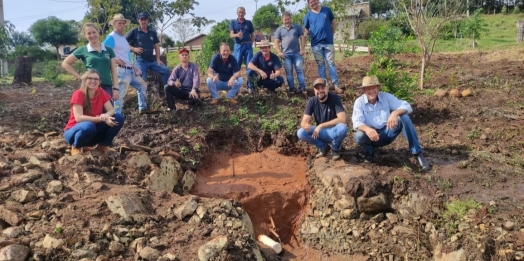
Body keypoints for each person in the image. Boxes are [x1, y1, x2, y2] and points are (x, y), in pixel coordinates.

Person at [352, 75, 431, 171]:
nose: (371, 91)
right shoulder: (359, 102)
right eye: (368, 89)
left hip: (388, 131)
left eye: (373, 88)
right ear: (363, 90)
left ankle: (418, 154)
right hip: (372, 136)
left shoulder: (386, 97)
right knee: (359, 135)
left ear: (378, 88)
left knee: (404, 118)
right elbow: (357, 122)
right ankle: (369, 154)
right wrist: (367, 129)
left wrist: (395, 112)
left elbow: (406, 106)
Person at [64, 69, 125, 156]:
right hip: (73, 132)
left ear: (100, 82)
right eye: (90, 78)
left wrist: (106, 116)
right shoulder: (78, 94)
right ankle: (76, 146)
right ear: (85, 80)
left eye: (96, 79)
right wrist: (101, 119)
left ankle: (103, 145)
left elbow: (111, 110)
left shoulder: (101, 92)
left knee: (118, 118)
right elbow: (79, 118)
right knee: (88, 125)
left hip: (92, 132)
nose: (93, 81)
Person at [103, 14, 152, 115]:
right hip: (121, 71)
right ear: (114, 24)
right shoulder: (112, 37)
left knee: (143, 85)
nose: (121, 25)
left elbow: (127, 55)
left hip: (130, 69)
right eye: (119, 23)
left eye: (123, 23)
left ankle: (142, 108)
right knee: (119, 96)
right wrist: (115, 59)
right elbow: (103, 51)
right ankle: (116, 115)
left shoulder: (123, 38)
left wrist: (134, 66)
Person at [62, 23, 119, 99]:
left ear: (98, 32)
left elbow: (113, 70)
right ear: (85, 36)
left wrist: (115, 88)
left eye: (94, 32)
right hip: (90, 86)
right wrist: (79, 77)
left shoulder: (108, 50)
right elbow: (65, 63)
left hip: (106, 85)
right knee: (91, 110)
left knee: (108, 109)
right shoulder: (82, 50)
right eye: (89, 33)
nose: (92, 35)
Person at [297, 78, 348, 160]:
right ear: (314, 90)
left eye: (322, 88)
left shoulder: (335, 98)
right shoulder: (312, 101)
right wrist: (306, 126)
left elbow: (342, 119)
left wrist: (321, 125)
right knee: (301, 132)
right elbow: (303, 122)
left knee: (343, 128)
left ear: (327, 88)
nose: (320, 91)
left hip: (333, 131)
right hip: (320, 133)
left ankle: (335, 149)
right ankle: (323, 147)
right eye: (317, 88)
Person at [303, 0, 343, 94]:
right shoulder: (308, 15)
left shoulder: (326, 10)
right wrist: (312, 34)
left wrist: (331, 35)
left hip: (328, 43)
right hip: (316, 44)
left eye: (314, 1)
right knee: (321, 65)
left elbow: (333, 23)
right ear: (309, 4)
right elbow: (306, 29)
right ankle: (325, 86)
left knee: (331, 63)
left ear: (317, 1)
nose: (313, 3)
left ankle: (336, 85)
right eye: (310, 2)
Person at [125, 12, 170, 86]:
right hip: (140, 61)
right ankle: (142, 96)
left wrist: (158, 59)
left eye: (145, 19)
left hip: (152, 61)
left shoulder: (152, 32)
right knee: (141, 82)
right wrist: (133, 49)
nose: (143, 21)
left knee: (166, 70)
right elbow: (123, 41)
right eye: (141, 19)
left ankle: (166, 89)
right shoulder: (134, 31)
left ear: (147, 20)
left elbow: (156, 45)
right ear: (138, 20)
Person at [274, 12, 306, 95]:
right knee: (289, 72)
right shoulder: (279, 29)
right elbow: (276, 42)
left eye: (288, 19)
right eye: (285, 20)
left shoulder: (297, 27)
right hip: (286, 55)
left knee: (299, 71)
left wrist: (302, 49)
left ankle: (302, 88)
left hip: (297, 53)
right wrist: (279, 52)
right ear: (282, 21)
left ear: (290, 19)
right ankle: (292, 89)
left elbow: (302, 38)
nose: (287, 21)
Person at [164, 48, 201, 114]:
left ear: (188, 57)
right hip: (182, 91)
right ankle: (172, 109)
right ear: (179, 57)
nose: (184, 56)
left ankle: (194, 100)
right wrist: (175, 83)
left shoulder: (193, 66)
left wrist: (194, 89)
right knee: (167, 87)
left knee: (194, 101)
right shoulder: (177, 69)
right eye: (182, 55)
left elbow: (196, 78)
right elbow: (169, 80)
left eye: (186, 55)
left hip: (192, 91)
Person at [229, 6, 255, 92]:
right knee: (236, 66)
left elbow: (252, 34)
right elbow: (231, 35)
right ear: (237, 13)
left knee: (250, 65)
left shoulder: (248, 23)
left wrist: (251, 42)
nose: (241, 14)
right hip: (238, 46)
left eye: (242, 12)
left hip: (248, 45)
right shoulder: (233, 23)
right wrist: (237, 35)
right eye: (239, 12)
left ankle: (250, 86)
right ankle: (235, 87)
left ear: (245, 13)